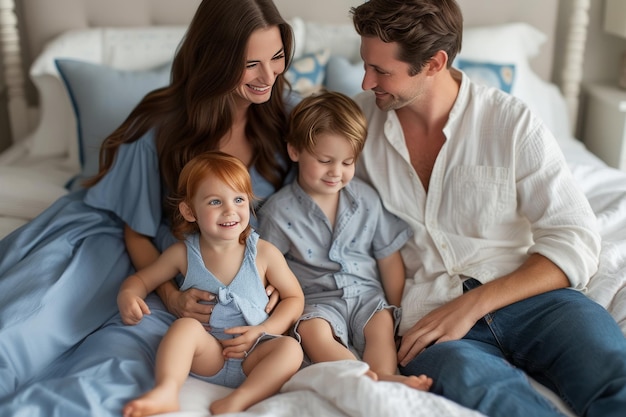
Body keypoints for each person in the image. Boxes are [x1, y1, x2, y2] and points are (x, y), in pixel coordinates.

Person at [0, 0, 296, 415]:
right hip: (128, 239)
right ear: (215, 61)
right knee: (25, 326)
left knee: (110, 368)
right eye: (251, 64)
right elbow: (135, 229)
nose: (269, 76)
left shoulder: (288, 119)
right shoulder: (160, 124)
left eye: (278, 56)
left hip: (215, 263)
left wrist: (262, 276)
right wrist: (170, 295)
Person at [349, 0, 626, 416]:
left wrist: (474, 303)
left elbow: (576, 238)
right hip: (431, 320)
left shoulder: (510, 121)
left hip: (535, 301)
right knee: (486, 393)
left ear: (434, 63)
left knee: (612, 370)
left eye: (382, 71)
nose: (367, 81)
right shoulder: (355, 126)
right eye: (365, 65)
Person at [258, 91, 432, 391]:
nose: (336, 172)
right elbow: (266, 265)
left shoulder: (365, 198)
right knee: (313, 332)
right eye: (324, 160)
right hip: (317, 300)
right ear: (295, 151)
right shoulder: (278, 211)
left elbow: (388, 257)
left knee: (381, 327)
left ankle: (385, 375)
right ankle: (360, 377)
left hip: (366, 294)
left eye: (347, 162)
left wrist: (397, 308)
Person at [119, 152, 304, 416]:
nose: (230, 210)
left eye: (239, 199)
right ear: (189, 211)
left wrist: (264, 329)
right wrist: (128, 293)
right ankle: (167, 390)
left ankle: (241, 399)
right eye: (215, 201)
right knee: (184, 327)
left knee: (290, 349)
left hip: (254, 352)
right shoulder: (182, 254)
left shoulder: (263, 253)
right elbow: (142, 279)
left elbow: (294, 299)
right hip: (210, 354)